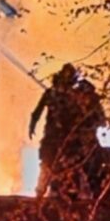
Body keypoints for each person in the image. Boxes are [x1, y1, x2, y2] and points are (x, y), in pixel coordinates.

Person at [29, 63, 78, 197]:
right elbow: (37, 112)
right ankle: (42, 192)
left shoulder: (73, 96)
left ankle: (56, 192)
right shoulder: (52, 94)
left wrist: (32, 125)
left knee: (63, 166)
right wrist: (32, 125)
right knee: (48, 164)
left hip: (67, 139)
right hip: (55, 138)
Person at [70, 78, 106, 197]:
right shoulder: (72, 107)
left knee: (94, 168)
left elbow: (102, 122)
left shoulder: (94, 108)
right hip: (73, 145)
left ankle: (94, 193)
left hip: (89, 143)